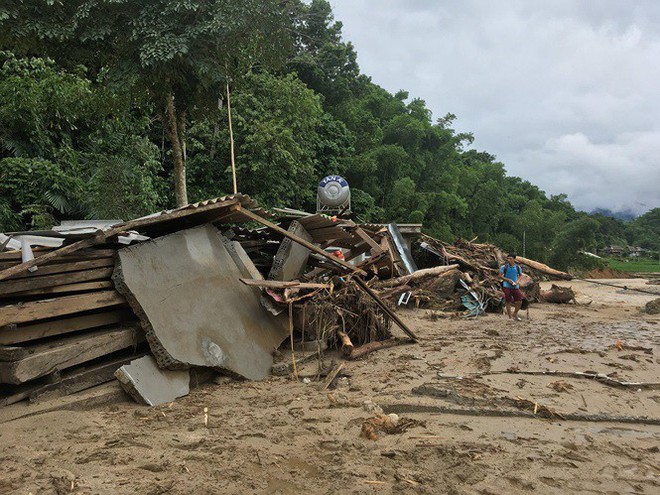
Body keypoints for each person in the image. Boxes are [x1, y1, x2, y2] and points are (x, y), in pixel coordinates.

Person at [499, 253, 524, 321]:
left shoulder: (518, 267)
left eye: (511, 259)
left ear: (514, 259)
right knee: (508, 301)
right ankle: (510, 317)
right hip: (506, 286)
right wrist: (508, 280)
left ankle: (515, 314)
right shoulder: (504, 267)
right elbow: (500, 276)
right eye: (508, 258)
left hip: (515, 286)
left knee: (519, 301)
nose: (509, 260)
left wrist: (517, 281)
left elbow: (520, 275)